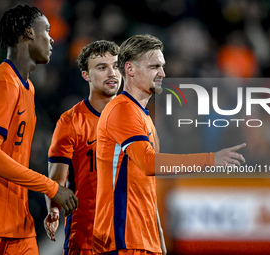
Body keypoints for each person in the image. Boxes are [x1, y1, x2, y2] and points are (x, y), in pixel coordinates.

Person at [92, 34, 246, 255]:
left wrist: (158, 237)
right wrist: (210, 159)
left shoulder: (142, 116)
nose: (162, 73)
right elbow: (149, 163)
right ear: (130, 69)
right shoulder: (122, 110)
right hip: (122, 238)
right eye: (154, 66)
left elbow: (146, 184)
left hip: (140, 239)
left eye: (162, 66)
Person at [0, 5, 78, 255]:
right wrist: (49, 187)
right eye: (46, 31)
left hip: (18, 222)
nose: (51, 39)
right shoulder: (2, 82)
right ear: (28, 34)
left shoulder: (25, 86)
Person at [43, 40, 121, 255]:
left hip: (129, 236)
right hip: (87, 237)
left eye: (115, 66)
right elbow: (56, 180)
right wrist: (53, 211)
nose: (111, 73)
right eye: (102, 67)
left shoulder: (139, 119)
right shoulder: (71, 121)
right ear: (86, 75)